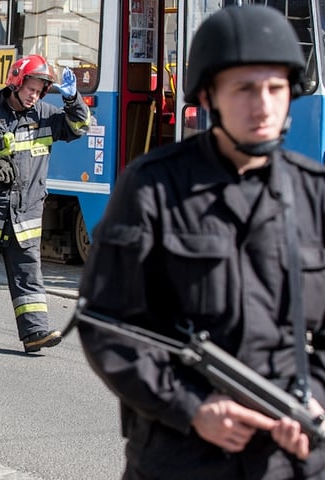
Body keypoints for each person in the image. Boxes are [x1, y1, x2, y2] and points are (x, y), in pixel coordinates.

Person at [77, 5, 325, 478]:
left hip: (291, 460)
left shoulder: (315, 194)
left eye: (276, 89)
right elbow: (104, 323)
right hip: (183, 457)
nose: (264, 106)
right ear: (209, 96)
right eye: (245, 89)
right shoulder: (153, 188)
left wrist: (316, 398)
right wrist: (191, 407)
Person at [0, 54, 90, 352]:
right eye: (30, 90)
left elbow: (80, 127)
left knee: (29, 276)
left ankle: (34, 333)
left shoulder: (47, 115)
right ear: (16, 84)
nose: (34, 97)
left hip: (26, 214)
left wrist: (73, 98)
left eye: (39, 92)